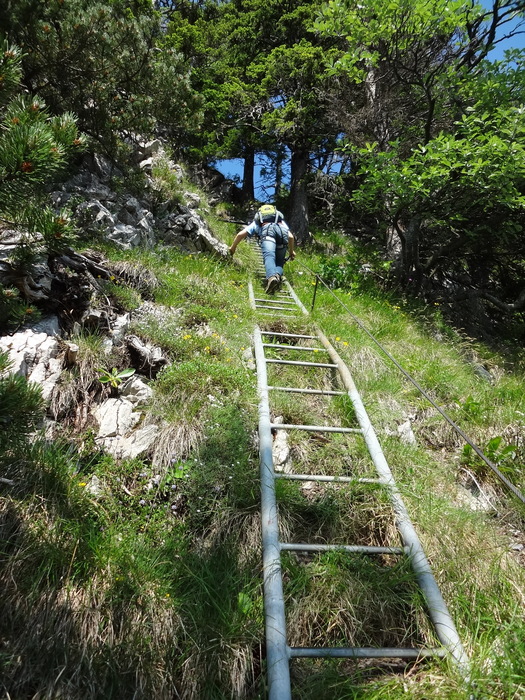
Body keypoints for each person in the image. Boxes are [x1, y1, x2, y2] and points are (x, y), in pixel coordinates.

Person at [229, 204, 296, 293]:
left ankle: (271, 278)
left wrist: (233, 248)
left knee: (269, 256)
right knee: (279, 263)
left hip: (268, 236)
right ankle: (277, 276)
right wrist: (291, 251)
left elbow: (240, 234)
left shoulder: (258, 220)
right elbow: (291, 237)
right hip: (282, 239)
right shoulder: (280, 221)